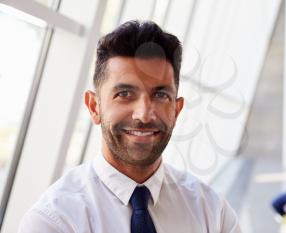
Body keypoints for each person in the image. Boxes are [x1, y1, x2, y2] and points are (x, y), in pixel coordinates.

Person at [18, 20, 241, 233]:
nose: (144, 115)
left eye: (161, 95)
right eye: (124, 94)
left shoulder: (212, 212)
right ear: (94, 107)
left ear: (176, 109)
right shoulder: (53, 222)